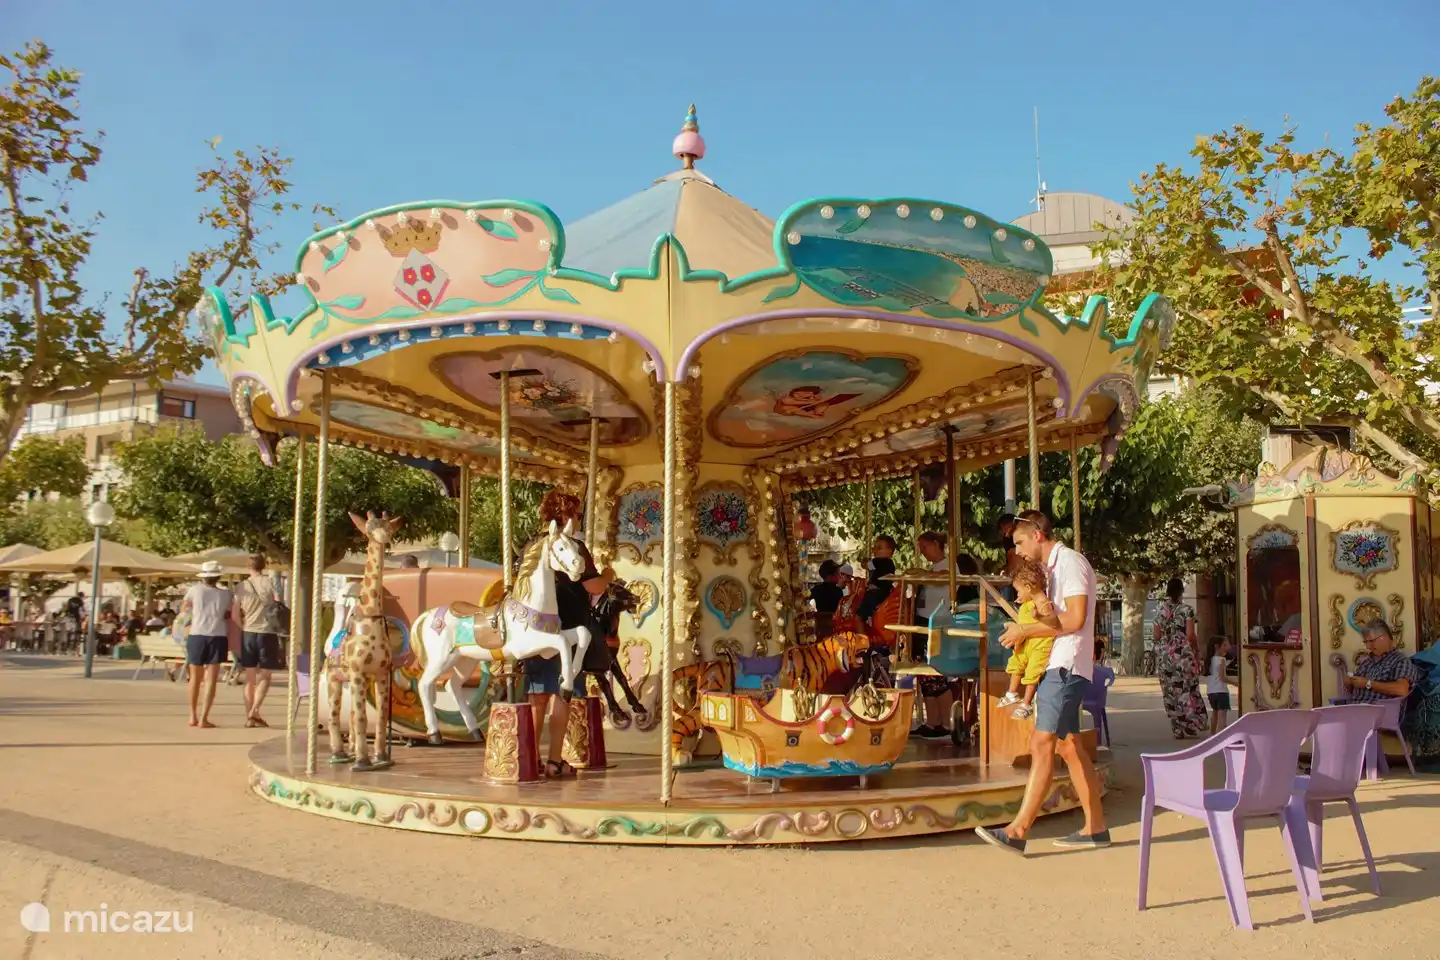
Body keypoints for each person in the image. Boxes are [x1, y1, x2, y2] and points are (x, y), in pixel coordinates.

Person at [976, 510, 1108, 854]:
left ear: (1037, 534)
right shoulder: (1052, 569)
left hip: (1065, 663)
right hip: (1061, 661)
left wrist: (1026, 629)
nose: (1017, 549)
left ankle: (1018, 831)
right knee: (1068, 746)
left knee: (1041, 742)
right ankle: (1095, 827)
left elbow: (1076, 618)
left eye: (1019, 541)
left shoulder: (1070, 563)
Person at [526, 490, 614, 778]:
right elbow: (593, 588)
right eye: (576, 515)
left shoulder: (534, 545)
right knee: (561, 695)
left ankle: (529, 757)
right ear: (563, 516)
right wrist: (609, 576)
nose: (578, 520)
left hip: (538, 628)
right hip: (570, 628)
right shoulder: (572, 546)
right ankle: (553, 760)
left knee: (538, 695)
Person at [995, 560, 1056, 720]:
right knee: (1016, 663)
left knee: (1032, 672)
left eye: (1018, 591)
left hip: (1039, 645)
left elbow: (1052, 622)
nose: (1017, 595)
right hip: (1026, 643)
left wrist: (1039, 616)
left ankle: (1027, 702)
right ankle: (1012, 692)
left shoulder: (1043, 603)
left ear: (1029, 587)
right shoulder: (1028, 603)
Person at [1153, 578, 1209, 739]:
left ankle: (1177, 728)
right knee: (1188, 688)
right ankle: (1191, 724)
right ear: (1182, 591)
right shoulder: (1187, 610)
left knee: (1170, 692)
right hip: (1183, 656)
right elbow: (1191, 634)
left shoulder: (1159, 611)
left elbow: (1156, 635)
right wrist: (1197, 651)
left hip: (1165, 657)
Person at [180, 561, 234, 728]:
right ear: (218, 576)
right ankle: (204, 718)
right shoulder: (226, 594)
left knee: (194, 679)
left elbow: (184, 610)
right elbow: (228, 614)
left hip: (196, 635)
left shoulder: (194, 590)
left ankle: (192, 716)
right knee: (211, 679)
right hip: (217, 636)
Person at [913, 532, 955, 739]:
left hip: (937, 621)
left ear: (937, 544)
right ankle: (933, 721)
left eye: (925, 547)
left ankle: (947, 722)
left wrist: (921, 574)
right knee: (924, 674)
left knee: (936, 673)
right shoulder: (933, 568)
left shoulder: (948, 565)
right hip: (924, 619)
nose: (923, 552)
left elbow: (944, 579)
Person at [237, 554, 286, 728]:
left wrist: (243, 625)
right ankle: (254, 711)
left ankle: (250, 716)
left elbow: (236, 613)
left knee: (250, 678)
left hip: (248, 633)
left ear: (248, 567)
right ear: (263, 566)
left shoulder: (242, 586)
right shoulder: (271, 582)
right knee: (265, 676)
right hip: (267, 633)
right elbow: (279, 605)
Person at [1337, 620, 1422, 704]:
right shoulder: (1366, 662)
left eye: (1371, 641)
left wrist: (1368, 683)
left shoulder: (1400, 661)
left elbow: (1401, 690)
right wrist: (1350, 683)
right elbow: (1356, 691)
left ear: (1384, 637)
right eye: (1365, 642)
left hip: (1380, 715)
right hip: (1355, 711)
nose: (1367, 646)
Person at [855, 535, 898, 625]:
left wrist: (864, 561)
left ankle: (861, 636)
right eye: (874, 548)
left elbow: (865, 565)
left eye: (878, 548)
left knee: (858, 617)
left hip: (874, 593)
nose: (874, 550)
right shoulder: (890, 563)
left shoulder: (878, 561)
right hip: (885, 593)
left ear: (889, 551)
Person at [1205, 636, 1236, 734]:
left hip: (1211, 692)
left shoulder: (1209, 660)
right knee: (1222, 716)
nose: (1228, 647)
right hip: (1221, 691)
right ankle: (1221, 738)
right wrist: (1236, 684)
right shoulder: (1221, 660)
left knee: (1215, 714)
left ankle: (1212, 735)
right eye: (1225, 645)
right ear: (1217, 647)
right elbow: (1223, 678)